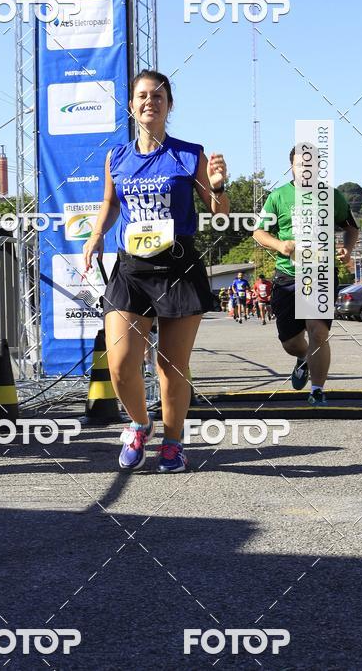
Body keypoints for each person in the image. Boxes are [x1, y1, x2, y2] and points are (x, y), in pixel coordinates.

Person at [83, 69, 229, 472]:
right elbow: (111, 204)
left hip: (178, 268)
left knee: (171, 364)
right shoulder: (118, 156)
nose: (151, 102)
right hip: (132, 269)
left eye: (159, 96)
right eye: (143, 96)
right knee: (120, 362)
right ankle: (139, 424)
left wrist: (216, 186)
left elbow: (219, 213)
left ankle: (174, 442)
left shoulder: (189, 154)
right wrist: (96, 236)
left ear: (169, 105)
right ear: (131, 105)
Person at [253, 145, 358, 407]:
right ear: (292, 166)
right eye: (301, 164)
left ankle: (318, 390)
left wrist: (348, 248)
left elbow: (351, 228)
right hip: (288, 275)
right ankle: (303, 359)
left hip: (321, 272)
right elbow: (258, 232)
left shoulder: (332, 196)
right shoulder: (278, 197)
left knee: (317, 331)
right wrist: (280, 245)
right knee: (290, 342)